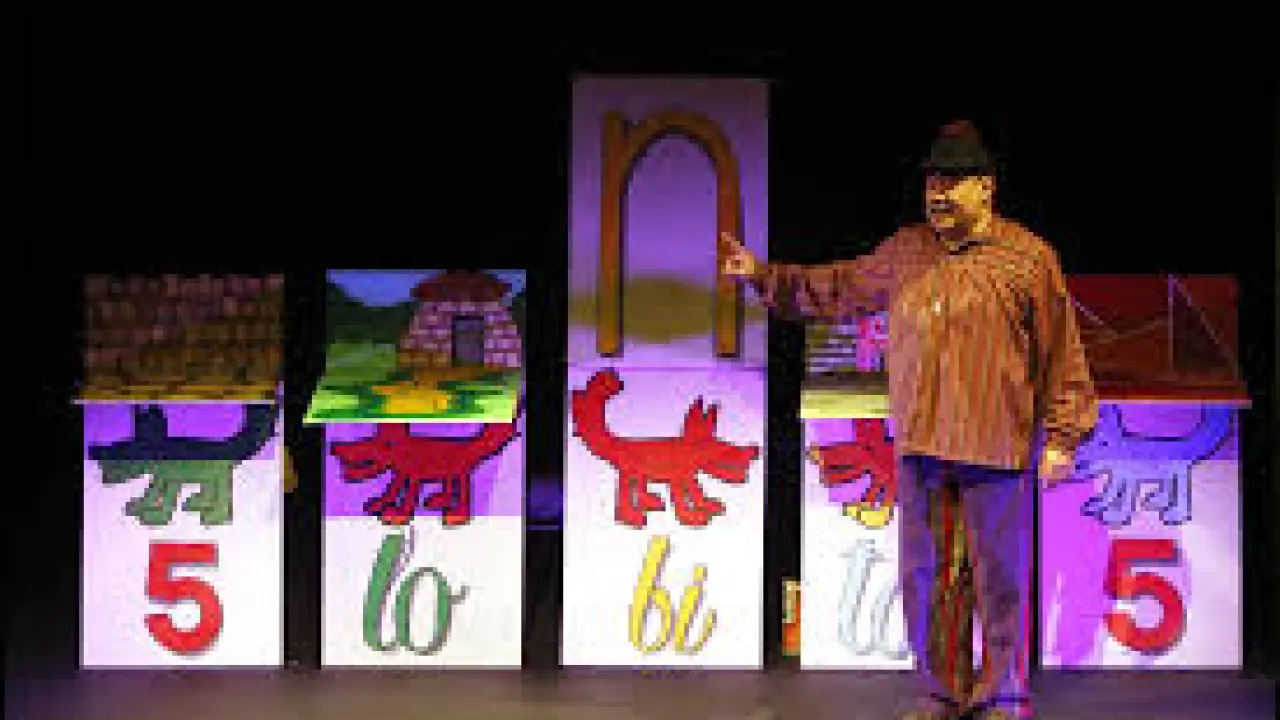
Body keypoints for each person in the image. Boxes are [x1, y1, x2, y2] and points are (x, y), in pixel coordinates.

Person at [722, 120, 1098, 720]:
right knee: (926, 578)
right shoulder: (907, 251)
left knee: (999, 578)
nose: (937, 193)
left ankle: (1003, 693)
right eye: (931, 182)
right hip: (923, 442)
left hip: (996, 443)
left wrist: (1064, 436)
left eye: (952, 181)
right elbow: (840, 287)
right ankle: (940, 692)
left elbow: (1061, 352)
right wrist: (764, 275)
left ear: (986, 187)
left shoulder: (1028, 259)